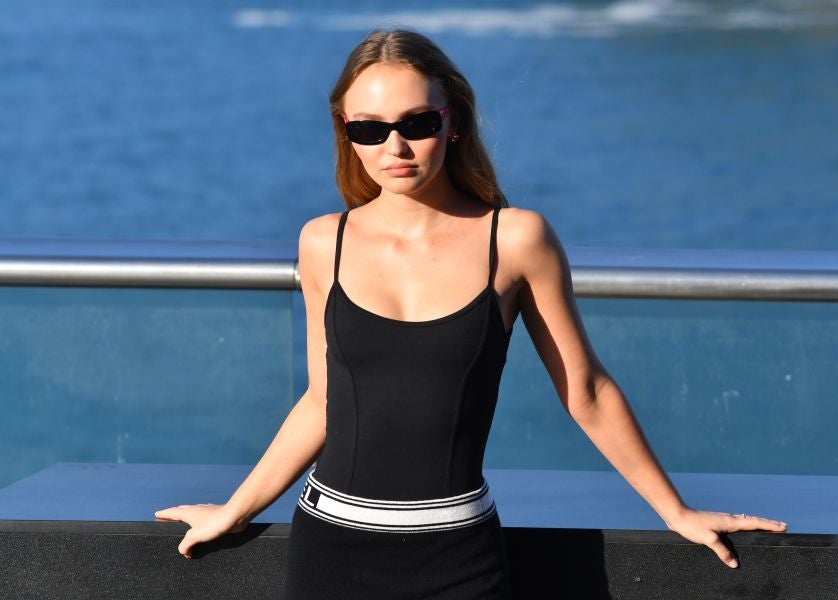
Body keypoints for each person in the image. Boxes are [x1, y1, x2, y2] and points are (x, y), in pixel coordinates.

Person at [154, 29, 787, 598]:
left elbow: (586, 390)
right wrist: (234, 510)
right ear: (345, 131)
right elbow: (324, 401)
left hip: (457, 556)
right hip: (329, 548)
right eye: (368, 129)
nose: (394, 146)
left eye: (417, 123)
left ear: (452, 121)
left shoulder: (514, 239)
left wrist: (675, 512)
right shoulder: (325, 240)